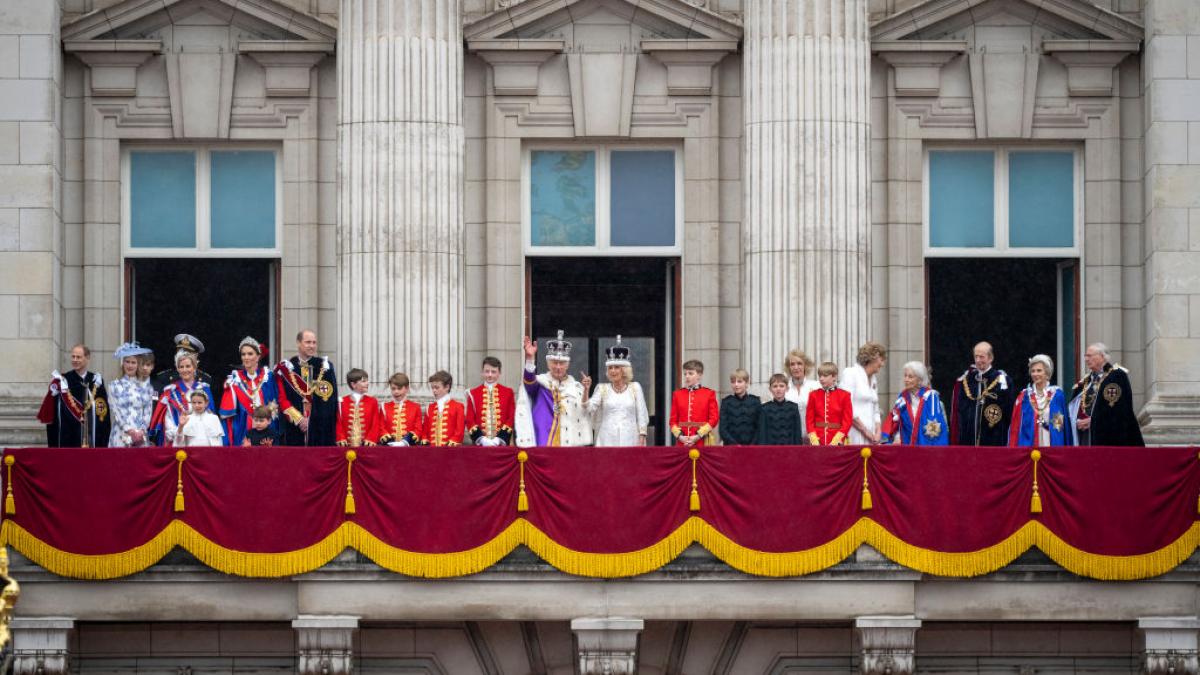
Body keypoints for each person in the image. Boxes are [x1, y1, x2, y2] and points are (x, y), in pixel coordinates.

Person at [515, 332, 593, 447]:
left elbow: (586, 412)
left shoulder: (576, 388)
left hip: (570, 444)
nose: (558, 367)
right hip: (544, 439)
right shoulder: (541, 383)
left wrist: (586, 390)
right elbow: (529, 382)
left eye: (561, 363)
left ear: (567, 365)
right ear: (548, 364)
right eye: (554, 363)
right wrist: (530, 358)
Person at [1069, 343, 1145, 446]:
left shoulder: (1116, 376)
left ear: (1102, 356)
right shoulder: (1084, 383)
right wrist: (1075, 421)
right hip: (1084, 437)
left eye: (1089, 356)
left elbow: (1118, 409)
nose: (1086, 359)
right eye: (1085, 356)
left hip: (1110, 439)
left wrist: (1093, 421)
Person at [37, 344, 111, 447]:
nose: (75, 360)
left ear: (87, 358)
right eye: (73, 356)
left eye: (79, 357)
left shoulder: (96, 380)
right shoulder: (63, 381)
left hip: (91, 439)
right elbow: (53, 413)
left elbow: (103, 411)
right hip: (68, 438)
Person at [275, 329, 339, 446]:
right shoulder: (286, 368)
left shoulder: (325, 367)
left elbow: (330, 400)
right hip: (294, 427)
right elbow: (282, 399)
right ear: (298, 343)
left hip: (319, 428)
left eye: (314, 343)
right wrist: (299, 420)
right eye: (308, 342)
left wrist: (311, 421)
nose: (312, 346)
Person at [219, 337, 284, 447]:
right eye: (243, 354)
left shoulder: (268, 377)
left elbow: (275, 405)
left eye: (250, 354)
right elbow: (228, 415)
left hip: (266, 429)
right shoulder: (235, 380)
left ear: (258, 356)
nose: (246, 357)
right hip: (243, 429)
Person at [587, 336, 650, 447]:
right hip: (606, 438)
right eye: (610, 368)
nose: (613, 371)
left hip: (630, 437)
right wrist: (586, 390)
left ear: (624, 369)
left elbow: (642, 415)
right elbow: (589, 408)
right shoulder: (602, 389)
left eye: (616, 367)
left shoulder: (635, 388)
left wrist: (642, 437)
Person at [949, 341, 1015, 446]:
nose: (978, 360)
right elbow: (959, 413)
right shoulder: (966, 381)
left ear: (990, 358)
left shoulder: (1003, 382)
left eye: (982, 357)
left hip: (994, 439)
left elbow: (1009, 413)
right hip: (968, 440)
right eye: (976, 357)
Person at [150, 350, 216, 446]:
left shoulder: (204, 389)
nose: (185, 370)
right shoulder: (170, 392)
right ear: (177, 369)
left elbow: (211, 419)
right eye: (181, 367)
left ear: (194, 367)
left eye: (188, 366)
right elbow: (168, 426)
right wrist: (180, 432)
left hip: (201, 443)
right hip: (177, 443)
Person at [880, 361, 949, 445]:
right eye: (905, 376)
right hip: (906, 445)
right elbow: (896, 421)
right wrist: (897, 437)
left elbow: (935, 425)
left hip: (925, 446)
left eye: (910, 377)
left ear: (919, 379)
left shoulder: (930, 396)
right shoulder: (903, 396)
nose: (906, 379)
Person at [1011, 354, 1072, 447]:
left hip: (1050, 443)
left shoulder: (1056, 395)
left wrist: (1047, 425)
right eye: (1033, 371)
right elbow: (1016, 426)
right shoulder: (1024, 396)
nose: (1035, 374)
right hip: (1029, 445)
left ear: (1047, 373)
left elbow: (1058, 425)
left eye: (1039, 371)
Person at [107, 342, 156, 447]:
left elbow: (147, 411)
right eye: (127, 362)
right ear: (123, 363)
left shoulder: (146, 386)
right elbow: (116, 411)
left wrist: (142, 430)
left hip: (141, 435)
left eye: (133, 362)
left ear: (138, 364)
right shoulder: (114, 385)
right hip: (121, 434)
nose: (130, 365)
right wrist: (129, 430)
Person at [840, 342, 886, 446]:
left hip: (872, 437)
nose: (882, 364)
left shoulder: (874, 379)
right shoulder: (850, 373)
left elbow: (876, 408)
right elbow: (846, 407)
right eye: (881, 360)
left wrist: (878, 431)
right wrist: (865, 431)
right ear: (873, 357)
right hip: (853, 434)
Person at [466, 356, 516, 447]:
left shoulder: (508, 392)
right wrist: (481, 439)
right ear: (482, 372)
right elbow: (469, 419)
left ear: (499, 373)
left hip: (501, 445)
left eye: (493, 372)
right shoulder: (472, 393)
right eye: (487, 371)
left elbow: (511, 417)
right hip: (480, 446)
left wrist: (500, 438)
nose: (490, 375)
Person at [669, 359, 720, 447]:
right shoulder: (677, 394)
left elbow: (714, 418)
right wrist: (680, 437)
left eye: (691, 373)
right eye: (685, 374)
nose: (687, 376)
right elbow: (672, 421)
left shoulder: (709, 393)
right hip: (682, 442)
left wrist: (698, 435)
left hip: (702, 441)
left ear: (699, 375)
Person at [807, 362, 854, 446]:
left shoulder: (845, 395)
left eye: (824, 376)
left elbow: (847, 421)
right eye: (820, 376)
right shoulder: (813, 395)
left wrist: (838, 439)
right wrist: (813, 438)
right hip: (817, 440)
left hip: (837, 441)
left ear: (834, 377)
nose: (821, 379)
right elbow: (809, 420)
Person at [336, 368, 383, 447]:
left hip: (367, 446)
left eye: (367, 381)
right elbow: (338, 422)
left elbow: (375, 422)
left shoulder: (372, 401)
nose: (367, 383)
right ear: (353, 384)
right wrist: (340, 437)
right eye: (363, 381)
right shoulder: (342, 401)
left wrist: (371, 438)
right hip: (345, 446)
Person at [783, 349, 821, 439]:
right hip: (789, 439)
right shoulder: (782, 387)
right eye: (792, 364)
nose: (796, 367)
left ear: (805, 366)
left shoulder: (816, 386)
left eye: (799, 363)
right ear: (788, 368)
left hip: (814, 439)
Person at [758, 373, 803, 445]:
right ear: (770, 389)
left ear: (787, 388)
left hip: (790, 449)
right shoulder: (765, 408)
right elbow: (762, 433)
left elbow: (797, 432)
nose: (778, 389)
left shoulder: (793, 407)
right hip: (771, 450)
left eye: (781, 386)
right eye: (775, 386)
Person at [719, 369, 761, 446]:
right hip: (731, 448)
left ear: (747, 383)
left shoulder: (755, 401)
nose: (736, 385)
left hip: (752, 448)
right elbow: (723, 429)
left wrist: (752, 445)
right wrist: (735, 445)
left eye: (739, 381)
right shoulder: (726, 402)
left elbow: (759, 427)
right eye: (733, 382)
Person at [380, 372, 423, 446]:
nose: (396, 392)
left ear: (407, 388)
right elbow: (381, 427)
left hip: (409, 449)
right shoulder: (384, 407)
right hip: (389, 448)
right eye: (393, 389)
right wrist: (388, 440)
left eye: (399, 388)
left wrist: (405, 441)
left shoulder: (416, 407)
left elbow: (418, 428)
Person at [423, 370, 465, 446]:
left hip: (450, 452)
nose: (434, 390)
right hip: (432, 453)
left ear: (447, 387)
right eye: (432, 388)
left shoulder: (458, 407)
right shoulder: (430, 408)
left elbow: (459, 432)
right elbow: (425, 431)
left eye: (437, 387)